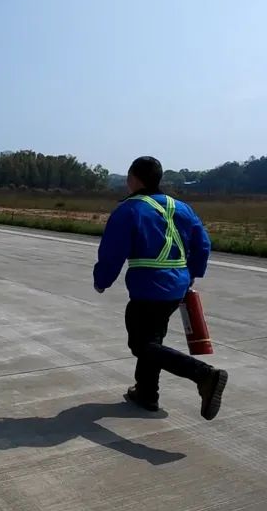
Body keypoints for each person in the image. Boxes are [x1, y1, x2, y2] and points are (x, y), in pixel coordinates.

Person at [93, 156, 228, 420]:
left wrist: (102, 280)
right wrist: (192, 275)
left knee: (141, 344)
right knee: (153, 340)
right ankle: (146, 393)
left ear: (133, 178)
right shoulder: (181, 208)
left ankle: (204, 375)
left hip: (148, 287)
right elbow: (203, 245)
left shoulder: (129, 209)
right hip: (175, 288)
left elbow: (112, 251)